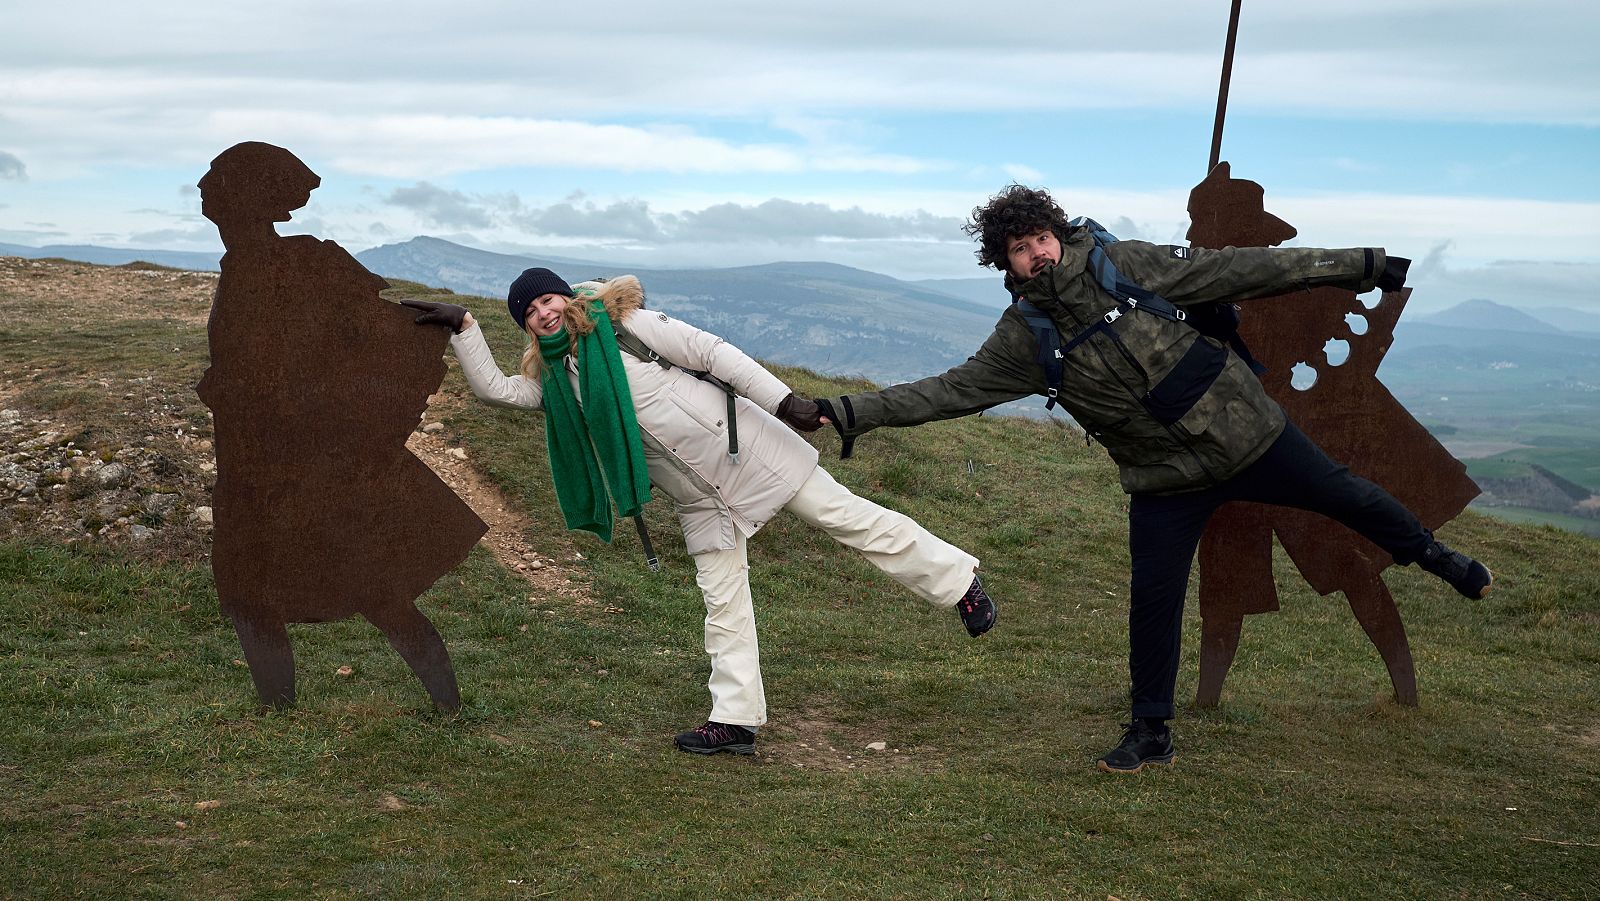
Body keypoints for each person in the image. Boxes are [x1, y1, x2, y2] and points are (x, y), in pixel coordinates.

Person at [811, 184, 1493, 774]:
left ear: (1057, 233)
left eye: (1041, 237)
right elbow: (947, 391)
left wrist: (1363, 266)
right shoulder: (1024, 338)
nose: (1037, 253)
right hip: (1164, 478)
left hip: (1246, 430)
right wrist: (845, 410)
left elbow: (1242, 271)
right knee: (1154, 601)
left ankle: (1439, 558)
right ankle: (1151, 731)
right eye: (1020, 247)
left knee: (1348, 496)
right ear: (1005, 262)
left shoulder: (1123, 264)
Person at [401, 268, 997, 755]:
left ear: (566, 296)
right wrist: (464, 326)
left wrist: (786, 402)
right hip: (700, 497)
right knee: (722, 601)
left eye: (547, 300)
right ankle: (735, 720)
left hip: (750, 453)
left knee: (852, 520)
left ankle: (959, 584)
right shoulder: (559, 381)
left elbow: (712, 354)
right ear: (527, 327)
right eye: (529, 314)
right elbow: (498, 392)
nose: (543, 314)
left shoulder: (627, 326)